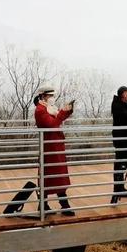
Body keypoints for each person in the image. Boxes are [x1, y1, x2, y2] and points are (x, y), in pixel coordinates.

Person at [33, 86, 75, 216]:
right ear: (43, 96)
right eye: (49, 96)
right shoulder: (40, 109)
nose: (52, 98)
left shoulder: (49, 109)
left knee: (57, 175)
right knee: (51, 175)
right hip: (49, 146)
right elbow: (52, 124)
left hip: (55, 146)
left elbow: (57, 120)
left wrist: (67, 111)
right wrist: (63, 112)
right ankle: (62, 204)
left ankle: (46, 205)